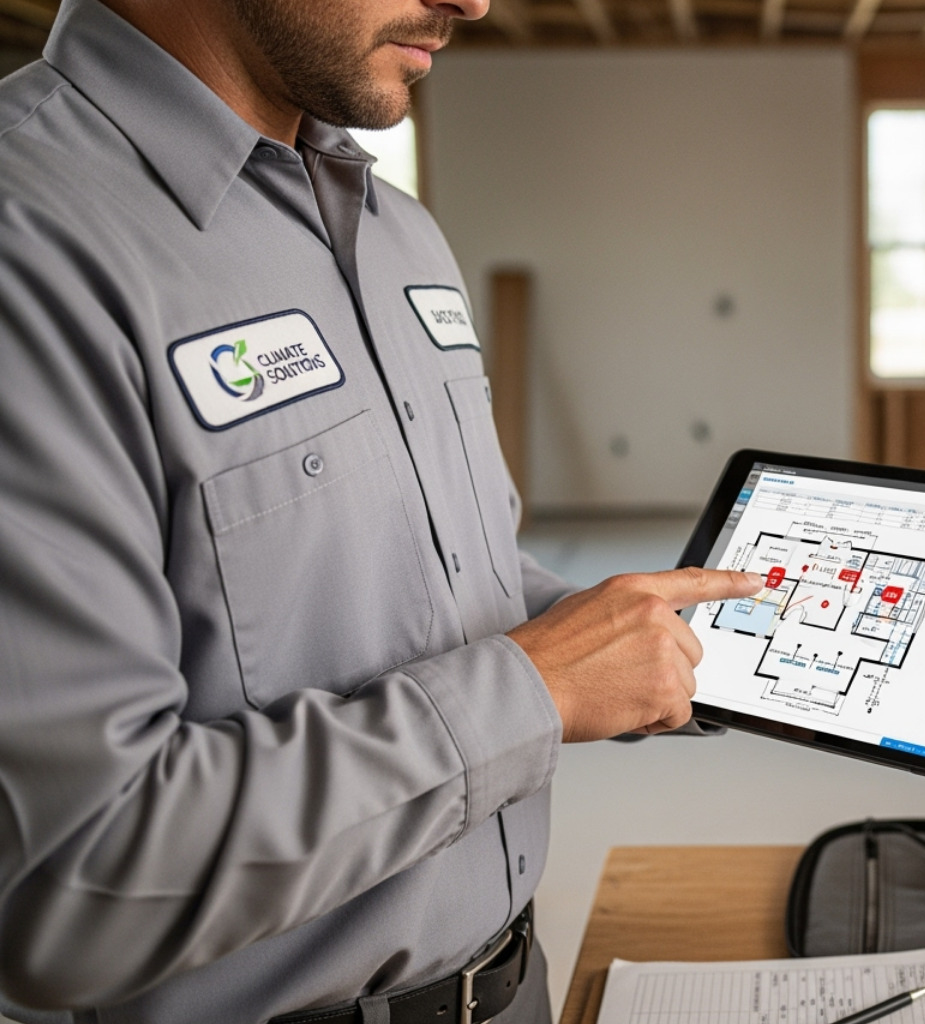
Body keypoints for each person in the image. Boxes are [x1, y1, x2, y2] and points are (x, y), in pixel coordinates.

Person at [0, 1, 761, 1022]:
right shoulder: (30, 240)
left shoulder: (396, 229)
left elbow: (437, 568)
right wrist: (532, 689)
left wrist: (629, 639)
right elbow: (70, 887)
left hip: (511, 986)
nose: (477, 0)